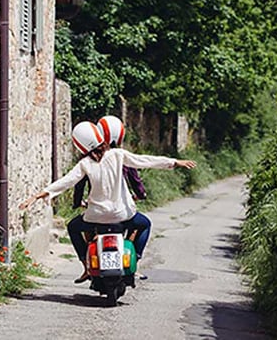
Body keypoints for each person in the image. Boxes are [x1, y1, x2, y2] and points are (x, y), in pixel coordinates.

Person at [19, 121, 197, 283]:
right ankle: (135, 261)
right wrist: (174, 162)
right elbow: (145, 160)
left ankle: (85, 267)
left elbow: (66, 181)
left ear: (79, 145)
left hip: (95, 217)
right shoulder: (118, 155)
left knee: (73, 227)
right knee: (145, 224)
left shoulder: (85, 164)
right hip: (123, 215)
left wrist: (39, 195)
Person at [72, 116, 147, 208]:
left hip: (97, 208)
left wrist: (77, 202)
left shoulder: (89, 159)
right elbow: (135, 180)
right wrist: (140, 194)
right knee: (145, 222)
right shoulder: (122, 157)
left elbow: (79, 185)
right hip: (121, 208)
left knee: (74, 223)